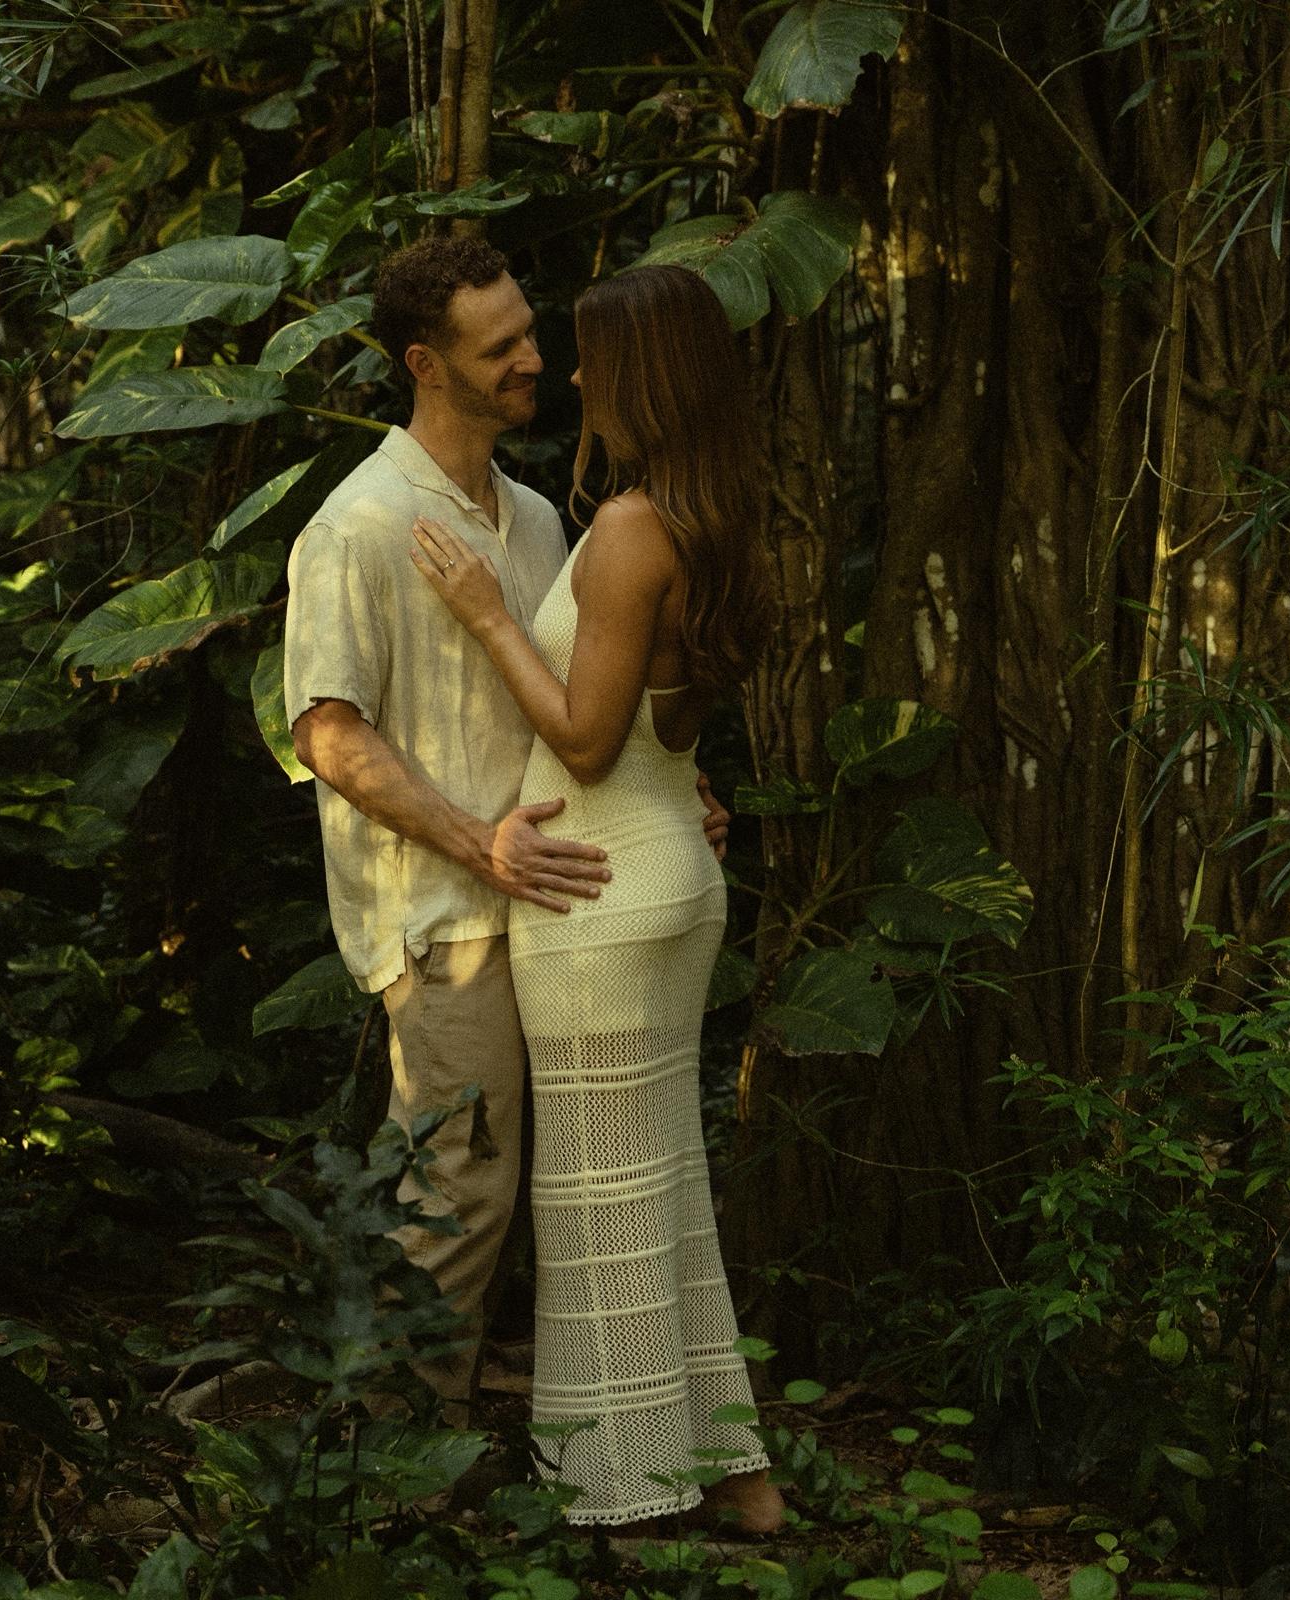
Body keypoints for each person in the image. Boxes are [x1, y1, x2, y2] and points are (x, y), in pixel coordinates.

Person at [282, 238, 729, 1429]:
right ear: (425, 366)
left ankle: (539, 1443)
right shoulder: (359, 523)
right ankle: (394, 1468)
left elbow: (591, 701)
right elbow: (327, 732)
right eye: (502, 347)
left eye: (532, 331)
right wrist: (480, 842)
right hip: (452, 920)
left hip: (568, 908)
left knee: (574, 1184)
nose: (537, 359)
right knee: (459, 1191)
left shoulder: (534, 517)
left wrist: (668, 787)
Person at [408, 263, 786, 1533]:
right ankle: (737, 1476)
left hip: (600, 895)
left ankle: (625, 1491)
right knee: (663, 1189)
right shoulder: (713, 515)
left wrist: (486, 615)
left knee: (599, 1206)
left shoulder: (629, 527)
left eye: (593, 358)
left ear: (646, 378)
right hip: (667, 868)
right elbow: (664, 732)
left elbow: (583, 738)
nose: (573, 377)